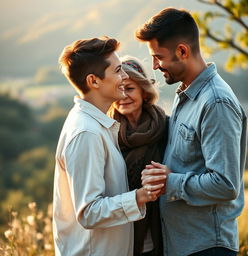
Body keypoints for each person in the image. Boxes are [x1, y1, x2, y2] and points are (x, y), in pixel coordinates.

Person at [136, 7, 247, 256]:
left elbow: (225, 184)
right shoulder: (186, 94)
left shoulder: (216, 102)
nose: (154, 65)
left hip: (207, 247)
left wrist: (169, 182)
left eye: (158, 57)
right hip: (184, 245)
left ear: (182, 51)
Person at [52, 37, 164, 256]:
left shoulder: (97, 125)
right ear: (94, 81)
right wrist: (141, 195)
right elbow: (89, 213)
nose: (124, 76)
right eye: (118, 70)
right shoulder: (86, 133)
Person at [109, 56, 168, 256]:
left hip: (162, 233)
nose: (123, 96)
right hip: (119, 238)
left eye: (130, 88)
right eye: (119, 89)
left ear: (144, 91)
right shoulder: (107, 134)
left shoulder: (167, 127)